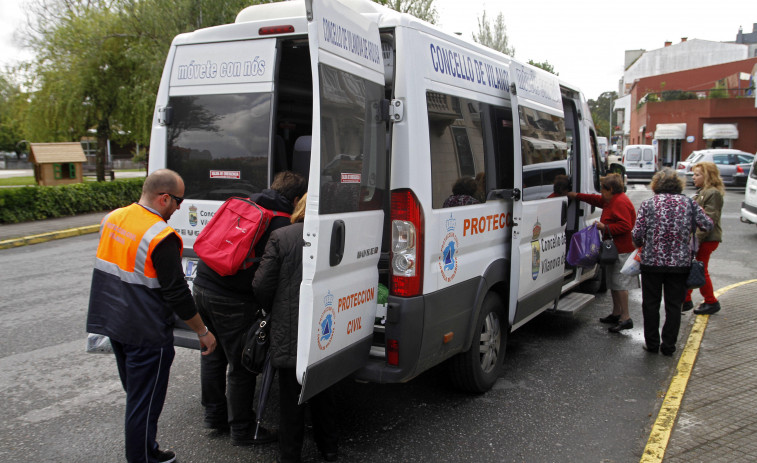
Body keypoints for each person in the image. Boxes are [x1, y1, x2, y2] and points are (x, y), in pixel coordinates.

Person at [87, 169, 217, 463]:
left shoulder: (113, 218)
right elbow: (177, 293)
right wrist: (202, 331)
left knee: (136, 398)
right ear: (164, 198)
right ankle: (142, 458)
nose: (180, 208)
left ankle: (149, 450)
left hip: (114, 323)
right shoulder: (161, 235)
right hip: (145, 333)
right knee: (142, 405)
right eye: (178, 201)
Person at [192, 170, 306, 446]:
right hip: (231, 299)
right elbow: (267, 279)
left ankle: (214, 415)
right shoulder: (280, 224)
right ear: (295, 200)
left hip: (201, 285)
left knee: (212, 353)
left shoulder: (243, 203)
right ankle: (242, 430)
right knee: (241, 365)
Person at [252, 193, 339, 463]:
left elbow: (261, 285)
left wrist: (273, 308)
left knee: (291, 397)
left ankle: (290, 456)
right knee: (324, 391)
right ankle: (329, 449)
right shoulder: (337, 234)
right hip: (327, 323)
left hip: (290, 327)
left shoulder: (282, 236)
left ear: (298, 207)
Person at [632, 168, 712, 356]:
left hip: (652, 262)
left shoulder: (649, 203)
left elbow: (637, 233)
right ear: (678, 185)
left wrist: (642, 243)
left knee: (650, 304)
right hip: (680, 264)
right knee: (674, 305)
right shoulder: (689, 204)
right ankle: (668, 346)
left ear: (656, 185)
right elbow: (707, 224)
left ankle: (651, 344)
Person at [567, 173, 638, 333]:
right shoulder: (611, 199)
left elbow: (626, 226)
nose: (601, 194)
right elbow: (596, 200)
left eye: (603, 190)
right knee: (613, 283)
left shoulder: (619, 202)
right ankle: (616, 313)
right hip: (614, 248)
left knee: (619, 284)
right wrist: (577, 195)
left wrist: (605, 227)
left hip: (620, 249)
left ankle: (626, 317)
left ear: (610, 189)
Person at [683, 162, 724, 315]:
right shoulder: (703, 192)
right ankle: (686, 299)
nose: (693, 177)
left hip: (707, 239)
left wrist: (696, 241)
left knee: (700, 270)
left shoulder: (712, 193)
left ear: (707, 176)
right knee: (694, 268)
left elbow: (709, 220)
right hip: (702, 239)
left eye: (697, 174)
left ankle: (711, 301)